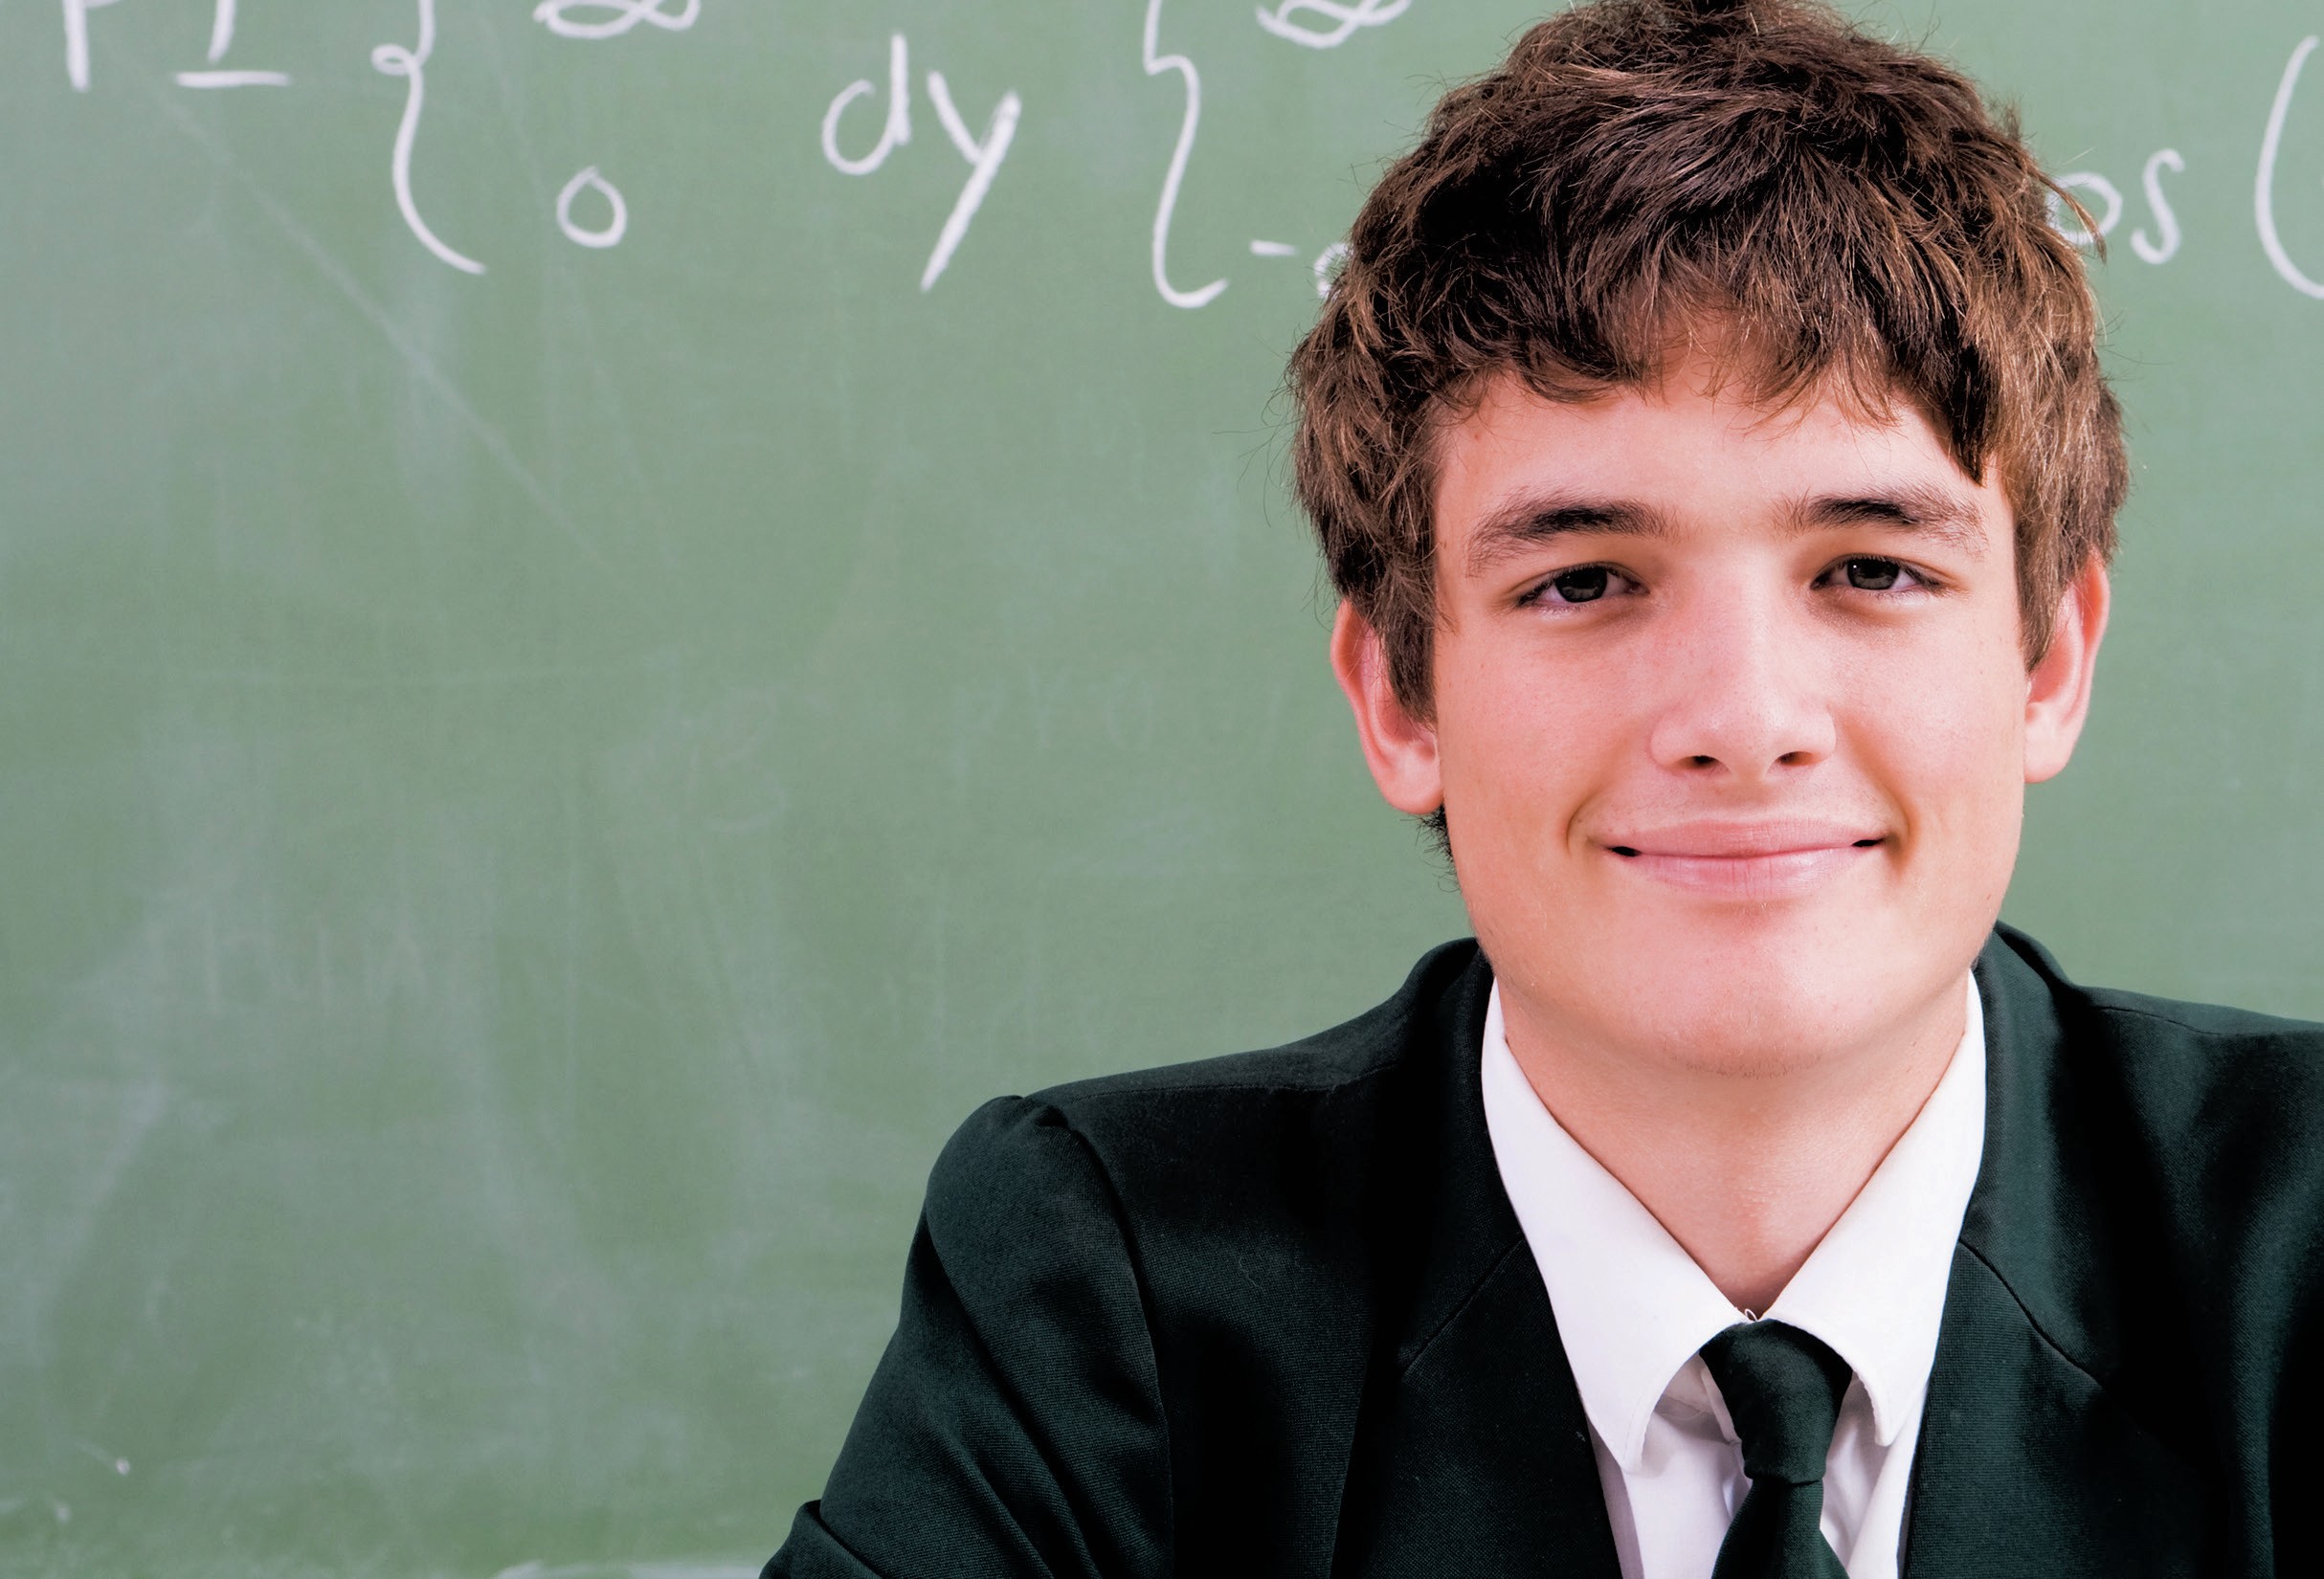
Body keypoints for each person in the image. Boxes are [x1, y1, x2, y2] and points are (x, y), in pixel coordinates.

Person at [767, 1, 2324, 1574]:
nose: (1743, 719)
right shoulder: (1108, 1297)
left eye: (1868, 565)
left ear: (2048, 658)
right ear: (1400, 695)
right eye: (1585, 581)